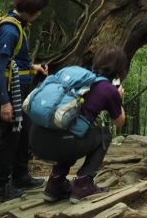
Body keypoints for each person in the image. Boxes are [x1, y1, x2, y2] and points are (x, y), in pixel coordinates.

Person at [30, 45, 129, 203]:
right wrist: (119, 99)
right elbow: (119, 122)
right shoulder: (108, 89)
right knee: (104, 134)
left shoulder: (79, 78)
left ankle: (55, 184)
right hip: (62, 145)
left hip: (35, 138)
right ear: (120, 69)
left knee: (70, 128)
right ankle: (83, 184)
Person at [0, 0, 50, 201]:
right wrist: (5, 102)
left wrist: (33, 67)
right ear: (32, 9)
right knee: (9, 136)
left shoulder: (19, 26)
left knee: (22, 132)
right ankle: (1, 187)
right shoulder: (10, 30)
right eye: (40, 9)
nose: (40, 14)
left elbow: (16, 61)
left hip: (20, 88)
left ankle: (20, 176)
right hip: (9, 91)